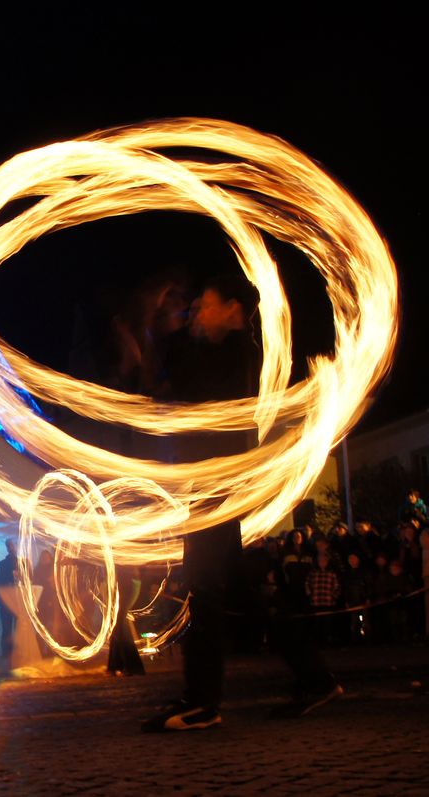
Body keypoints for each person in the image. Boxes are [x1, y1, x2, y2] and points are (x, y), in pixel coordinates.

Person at [142, 277, 340, 733]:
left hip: (217, 484)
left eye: (204, 304)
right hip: (207, 482)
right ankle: (315, 677)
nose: (196, 311)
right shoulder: (216, 351)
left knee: (204, 588)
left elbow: (192, 394)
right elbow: (166, 390)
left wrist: (164, 333)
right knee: (240, 592)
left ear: (233, 310)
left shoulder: (234, 352)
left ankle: (203, 701)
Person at [0, 539, 19, 658]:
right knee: (6, 629)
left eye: (12, 545)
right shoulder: (2, 564)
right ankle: (7, 655)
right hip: (6, 602)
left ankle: (18, 652)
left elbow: (29, 580)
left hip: (19, 601)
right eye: (8, 545)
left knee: (19, 628)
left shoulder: (23, 563)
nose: (10, 547)